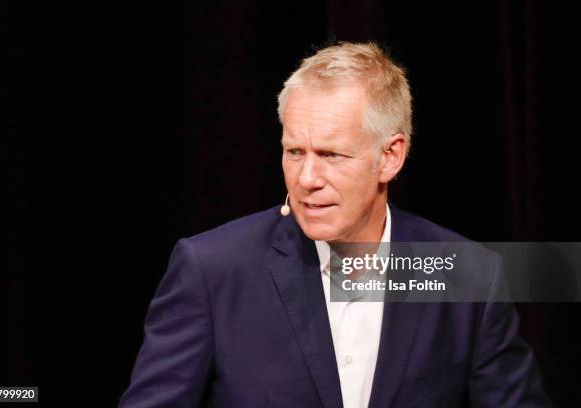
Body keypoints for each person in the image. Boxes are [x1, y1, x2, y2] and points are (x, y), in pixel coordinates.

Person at [119, 42, 550, 407]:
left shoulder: (467, 275)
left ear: (391, 156)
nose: (307, 179)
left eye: (330, 155)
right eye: (294, 152)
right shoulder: (212, 270)